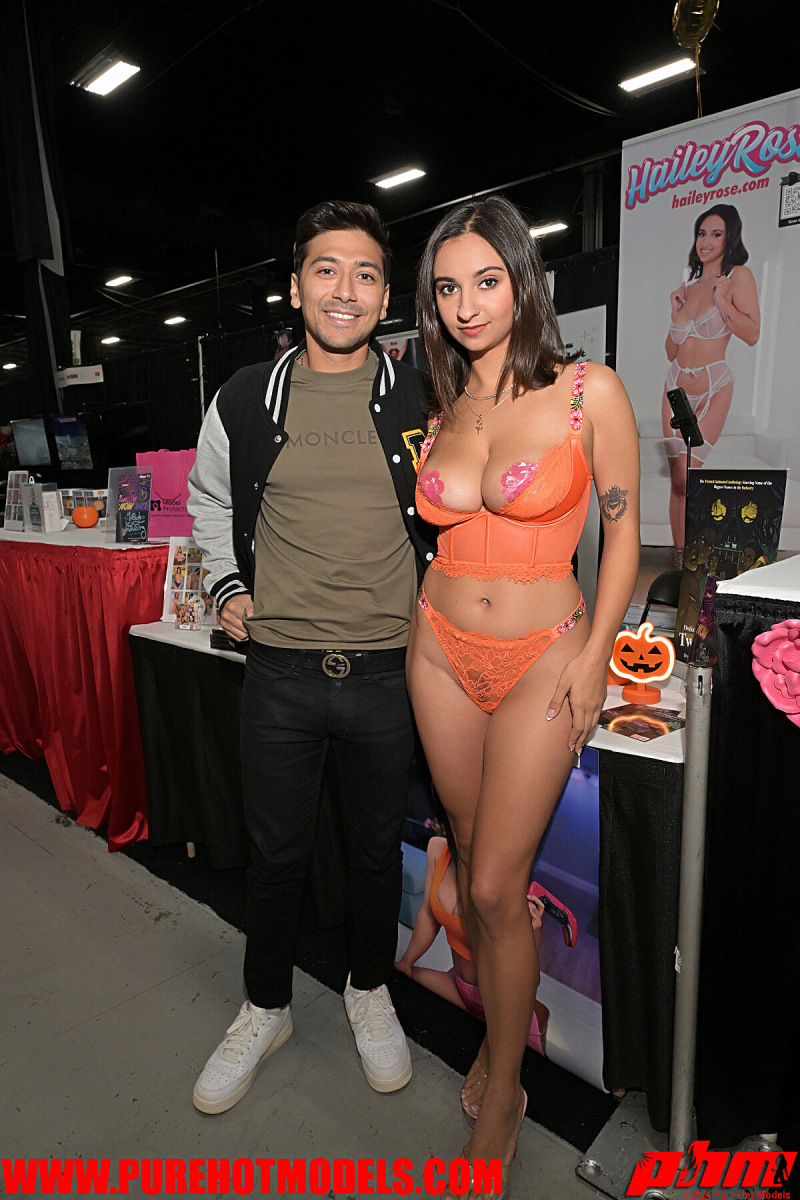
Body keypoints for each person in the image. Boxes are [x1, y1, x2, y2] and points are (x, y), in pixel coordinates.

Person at [406, 195, 640, 1186]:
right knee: (469, 869)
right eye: (446, 288)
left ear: (523, 281)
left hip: (545, 653)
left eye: (485, 281)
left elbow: (623, 534)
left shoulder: (589, 391)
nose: (465, 305)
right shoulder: (445, 403)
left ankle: (506, 1090)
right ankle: (499, 1040)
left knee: (500, 886)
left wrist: (594, 660)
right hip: (437, 652)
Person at [187, 200, 435, 1114]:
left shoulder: (424, 398)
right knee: (276, 857)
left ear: (385, 296)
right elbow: (209, 499)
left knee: (374, 855)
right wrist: (226, 587)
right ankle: (266, 1006)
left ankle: (370, 991)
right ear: (295, 287)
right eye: (326, 269)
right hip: (281, 673)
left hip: (389, 674)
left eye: (366, 273)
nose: (345, 289)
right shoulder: (244, 395)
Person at [394, 833, 577, 1122]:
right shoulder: (437, 848)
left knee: (538, 1100)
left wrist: (535, 931)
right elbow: (428, 913)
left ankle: (532, 1023)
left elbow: (530, 978)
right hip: (458, 987)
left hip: (502, 1006)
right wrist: (407, 962)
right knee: (396, 980)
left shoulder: (501, 874)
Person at [661, 204, 760, 562]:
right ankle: (680, 560)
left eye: (715, 234)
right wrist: (676, 313)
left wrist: (722, 301)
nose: (705, 241)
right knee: (677, 482)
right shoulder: (687, 287)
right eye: (702, 233)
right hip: (675, 387)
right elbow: (671, 351)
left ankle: (698, 555)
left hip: (714, 387)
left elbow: (752, 334)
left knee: (687, 477)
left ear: (729, 237)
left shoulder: (738, 277)